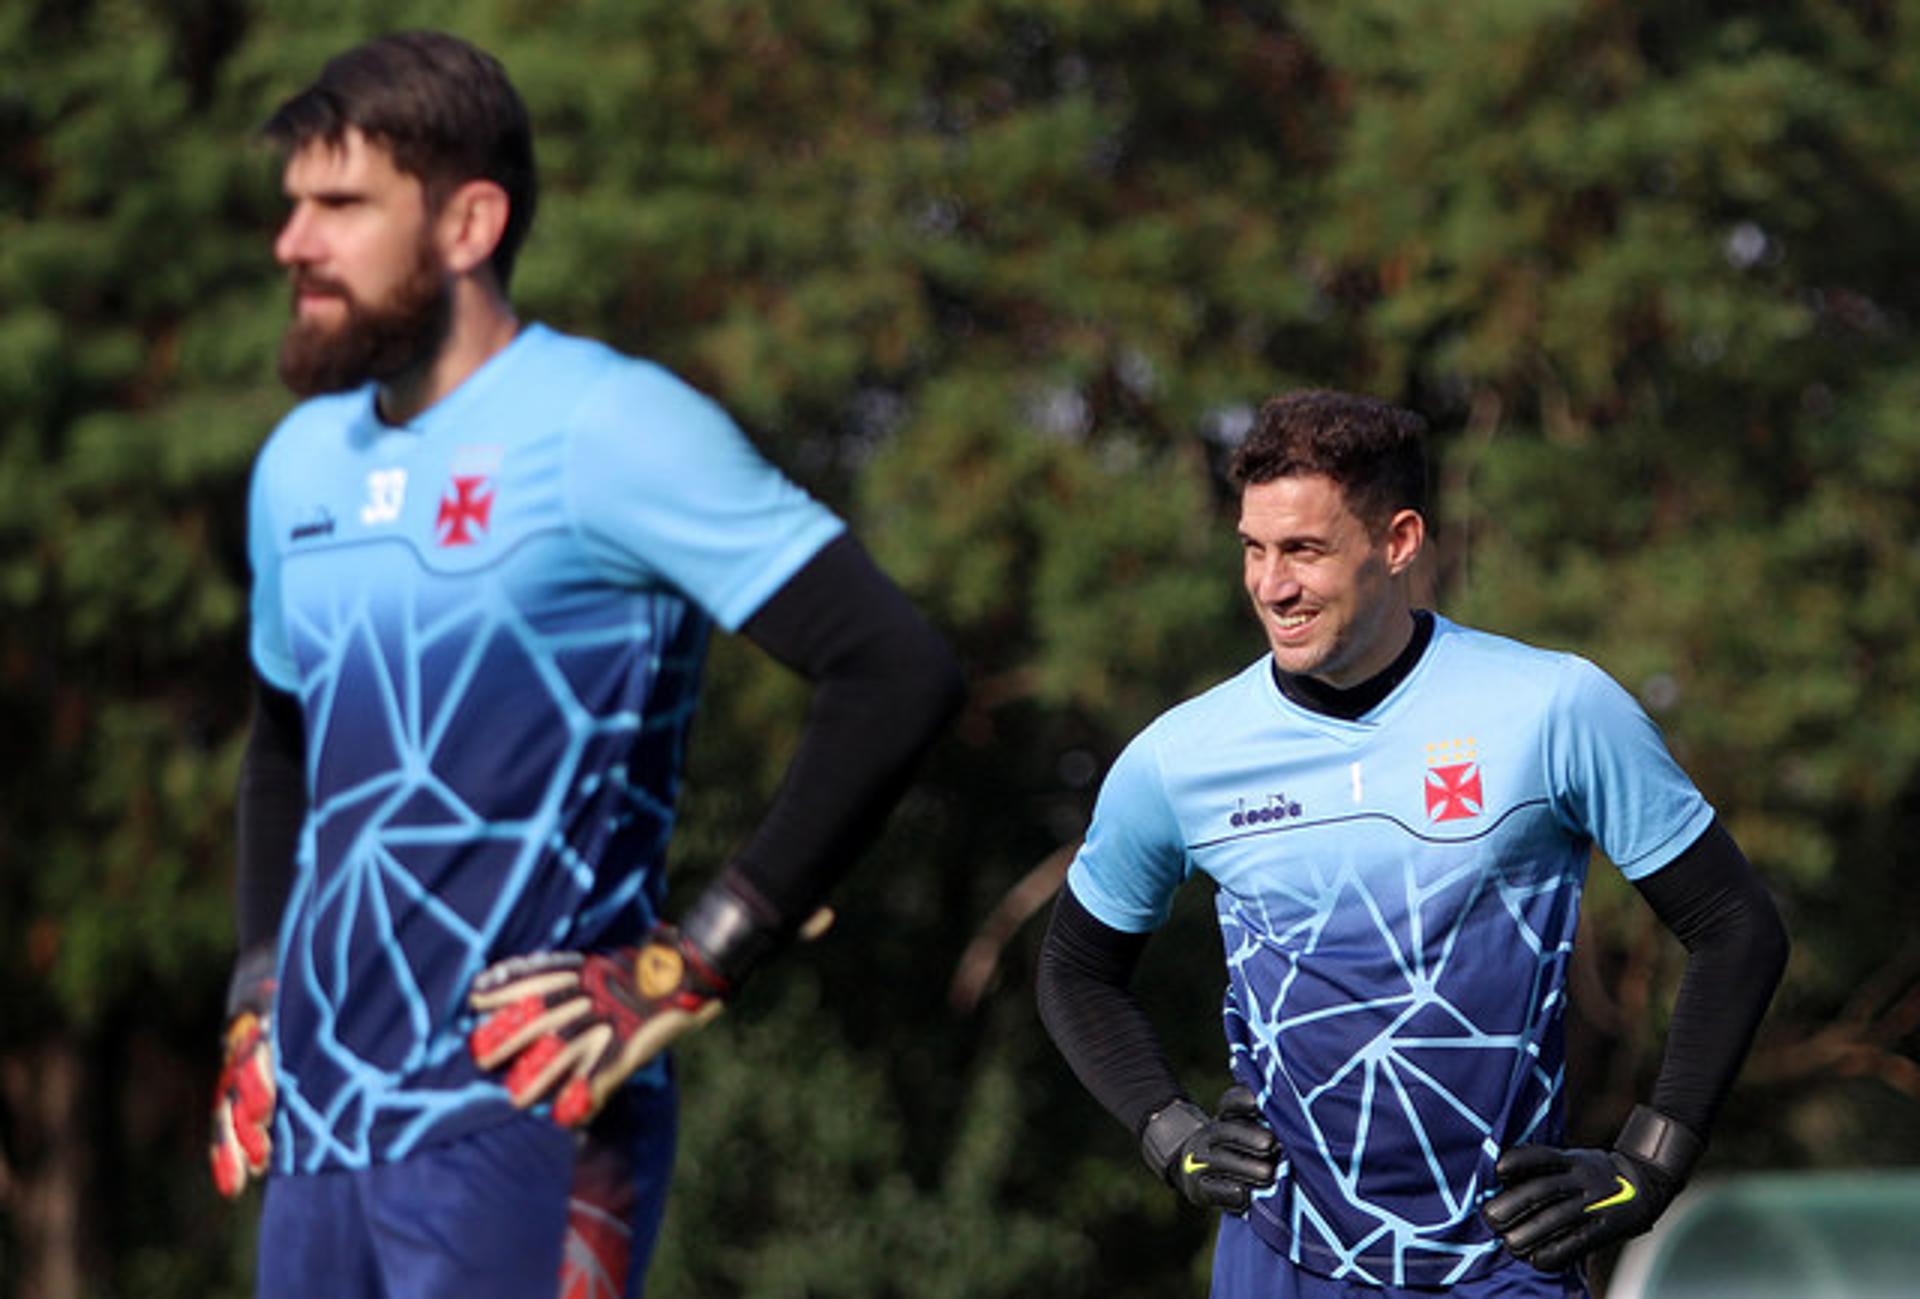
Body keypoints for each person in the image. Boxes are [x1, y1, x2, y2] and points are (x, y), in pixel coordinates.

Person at [206, 31, 964, 1299]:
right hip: (319, 1136)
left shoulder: (614, 427)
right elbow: (285, 744)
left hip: (527, 1118)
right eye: (294, 207)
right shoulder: (297, 464)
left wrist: (698, 956)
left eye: (339, 206)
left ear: (469, 223)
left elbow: (894, 671)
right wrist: (254, 984)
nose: (294, 244)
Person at [1035, 390, 1788, 1298]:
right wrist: (1167, 1129)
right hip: (1282, 1261)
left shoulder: (1555, 709)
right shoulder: (1179, 757)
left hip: (1505, 1260)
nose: (1272, 585)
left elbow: (1736, 926)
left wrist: (1653, 1161)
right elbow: (1075, 969)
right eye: (1254, 548)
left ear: (1398, 543)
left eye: (1305, 551)